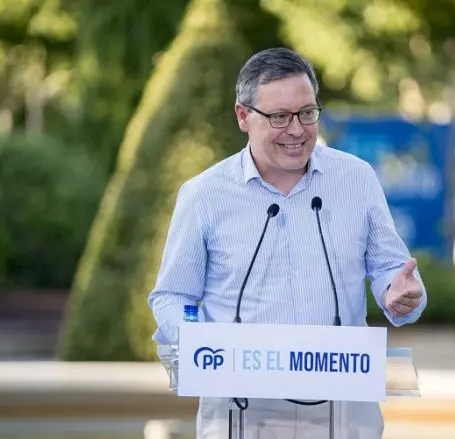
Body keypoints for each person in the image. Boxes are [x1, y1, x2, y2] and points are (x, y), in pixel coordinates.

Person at [148, 47, 427, 439]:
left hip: (343, 408)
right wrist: (205, 349)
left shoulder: (356, 179)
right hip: (240, 411)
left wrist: (399, 293)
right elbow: (171, 296)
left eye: (307, 113)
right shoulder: (204, 195)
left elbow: (389, 271)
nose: (297, 130)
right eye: (279, 117)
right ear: (243, 116)